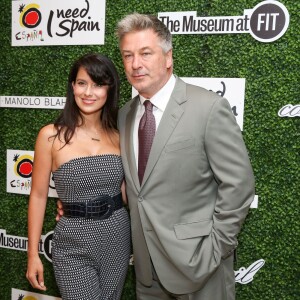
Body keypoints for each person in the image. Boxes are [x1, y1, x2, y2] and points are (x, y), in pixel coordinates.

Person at [115, 13, 255, 299]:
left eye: (145, 53)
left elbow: (239, 186)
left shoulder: (208, 107)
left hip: (199, 269)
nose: (135, 64)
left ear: (168, 57)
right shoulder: (125, 115)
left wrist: (215, 249)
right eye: (127, 55)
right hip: (146, 273)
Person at [26, 53, 131, 300]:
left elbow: (128, 193)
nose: (88, 92)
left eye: (98, 84)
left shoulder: (120, 136)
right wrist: (33, 254)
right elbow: (39, 195)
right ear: (72, 86)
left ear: (109, 90)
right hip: (72, 243)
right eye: (82, 83)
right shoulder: (50, 136)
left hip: (117, 236)